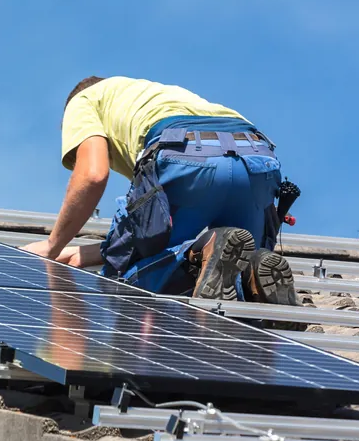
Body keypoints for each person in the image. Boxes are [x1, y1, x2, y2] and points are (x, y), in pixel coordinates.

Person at [21, 76, 299, 307]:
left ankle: (202, 249)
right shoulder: (161, 95)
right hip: (257, 158)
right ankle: (254, 279)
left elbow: (92, 176)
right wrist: (97, 251)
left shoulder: (83, 100)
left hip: (186, 155)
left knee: (132, 283)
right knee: (240, 263)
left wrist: (52, 246)